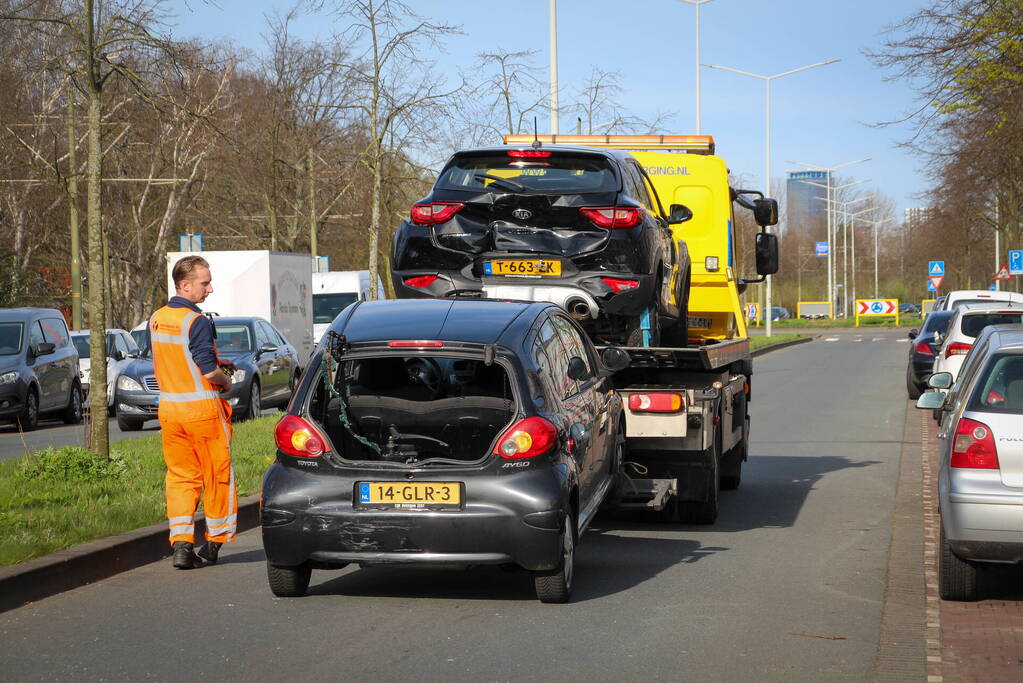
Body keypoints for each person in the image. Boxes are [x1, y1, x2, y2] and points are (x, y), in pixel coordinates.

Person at [149, 256, 238, 569]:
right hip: (202, 412)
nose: (210, 288)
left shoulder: (158, 318)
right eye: (204, 283)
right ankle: (213, 544)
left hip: (170, 410)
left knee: (181, 478)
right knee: (217, 476)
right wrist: (225, 380)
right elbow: (208, 371)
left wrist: (215, 360)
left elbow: (177, 358)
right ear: (184, 285)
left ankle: (182, 546)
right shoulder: (196, 320)